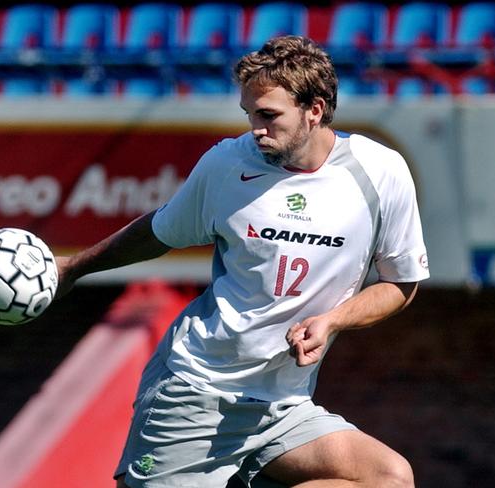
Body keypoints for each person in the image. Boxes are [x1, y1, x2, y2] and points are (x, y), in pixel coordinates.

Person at [56, 35, 429, 488]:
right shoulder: (226, 164)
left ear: (315, 109)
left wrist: (333, 321)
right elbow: (158, 232)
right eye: (250, 114)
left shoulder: (381, 171)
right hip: (196, 392)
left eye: (269, 115)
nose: (256, 127)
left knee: (387, 478)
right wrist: (74, 267)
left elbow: (401, 283)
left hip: (284, 407)